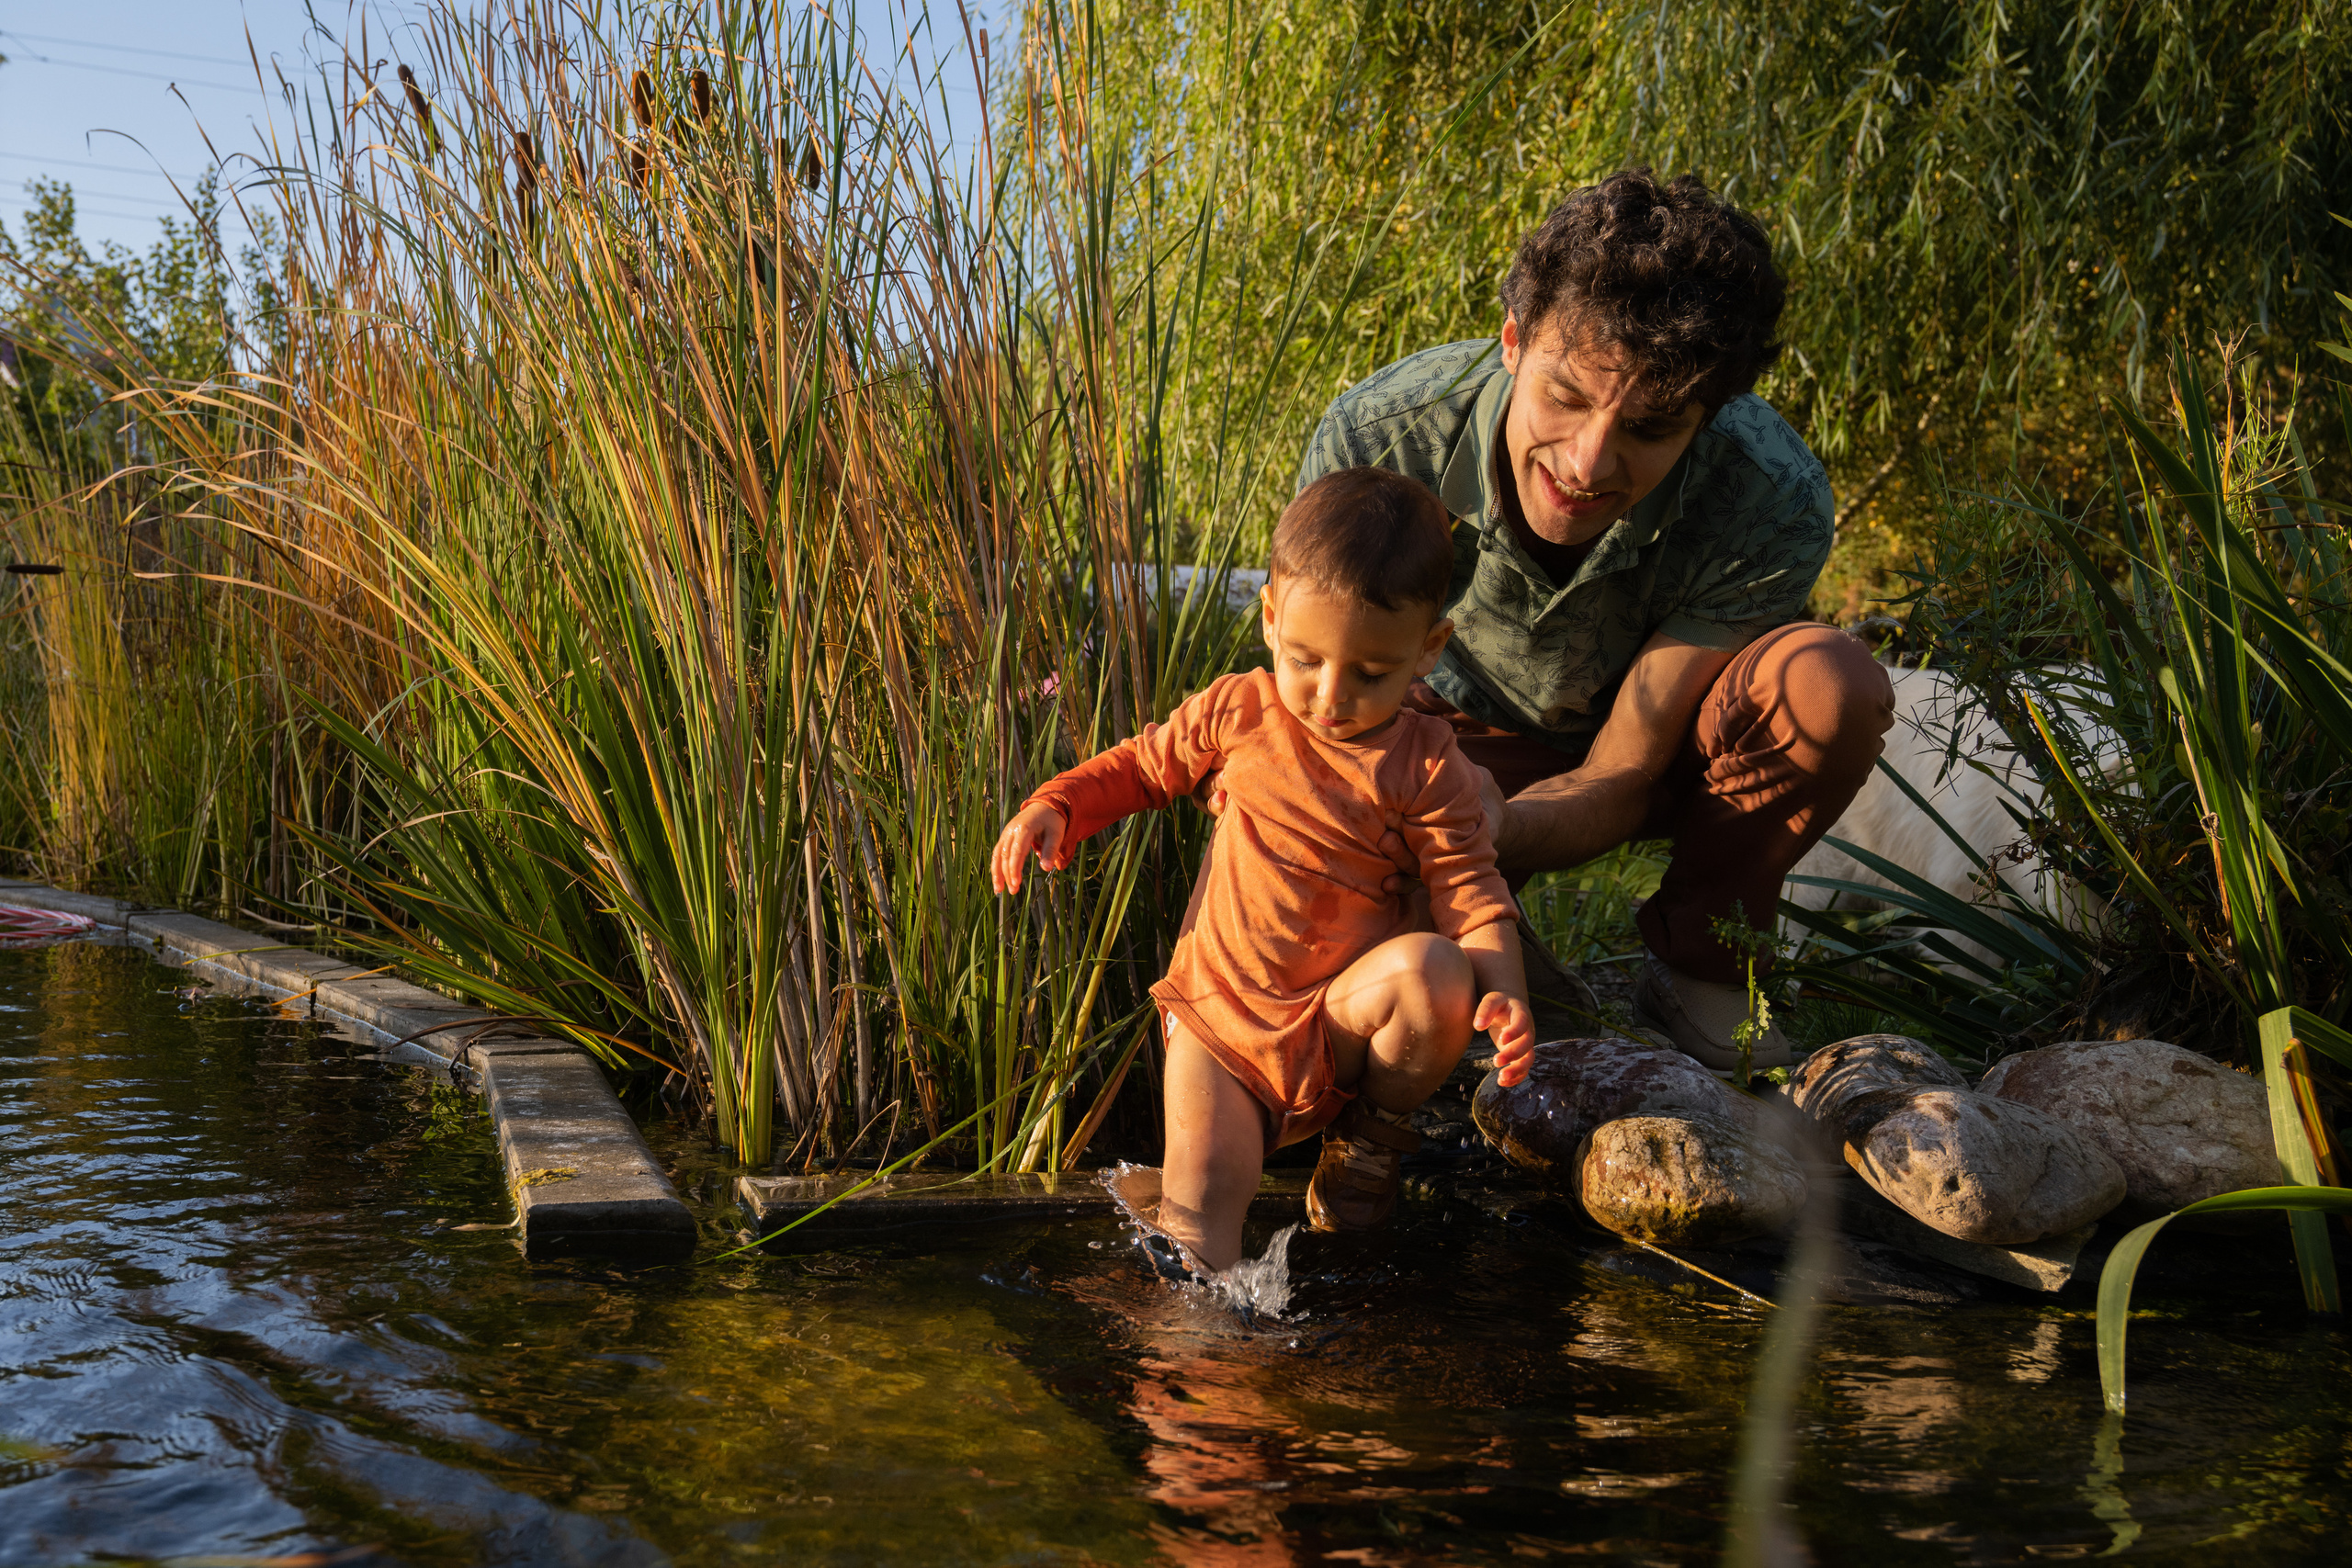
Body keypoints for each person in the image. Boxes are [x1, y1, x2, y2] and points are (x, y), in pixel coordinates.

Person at [1293, 167, 1896, 1072]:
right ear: (1512, 341)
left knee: (1827, 685)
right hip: (1436, 734)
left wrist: (1496, 830)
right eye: (1566, 397)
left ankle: (1699, 960)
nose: (1586, 460)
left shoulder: (1771, 493)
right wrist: (1428, 808)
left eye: (1650, 429)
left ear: (1708, 414)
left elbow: (1623, 764)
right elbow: (1320, 705)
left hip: (1649, 747)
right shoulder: (1379, 438)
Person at [991, 467, 1537, 1272]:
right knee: (1203, 1208)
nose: (1329, 694)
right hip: (1222, 1021)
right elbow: (1144, 767)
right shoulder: (1242, 710)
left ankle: (1368, 1140)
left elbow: (1470, 891)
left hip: (1335, 1026)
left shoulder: (1428, 766)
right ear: (1272, 617)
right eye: (1307, 659)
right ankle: (1193, 1375)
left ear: (1430, 647)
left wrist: (1508, 999)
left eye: (1371, 673)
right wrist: (1061, 804)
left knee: (1438, 974)